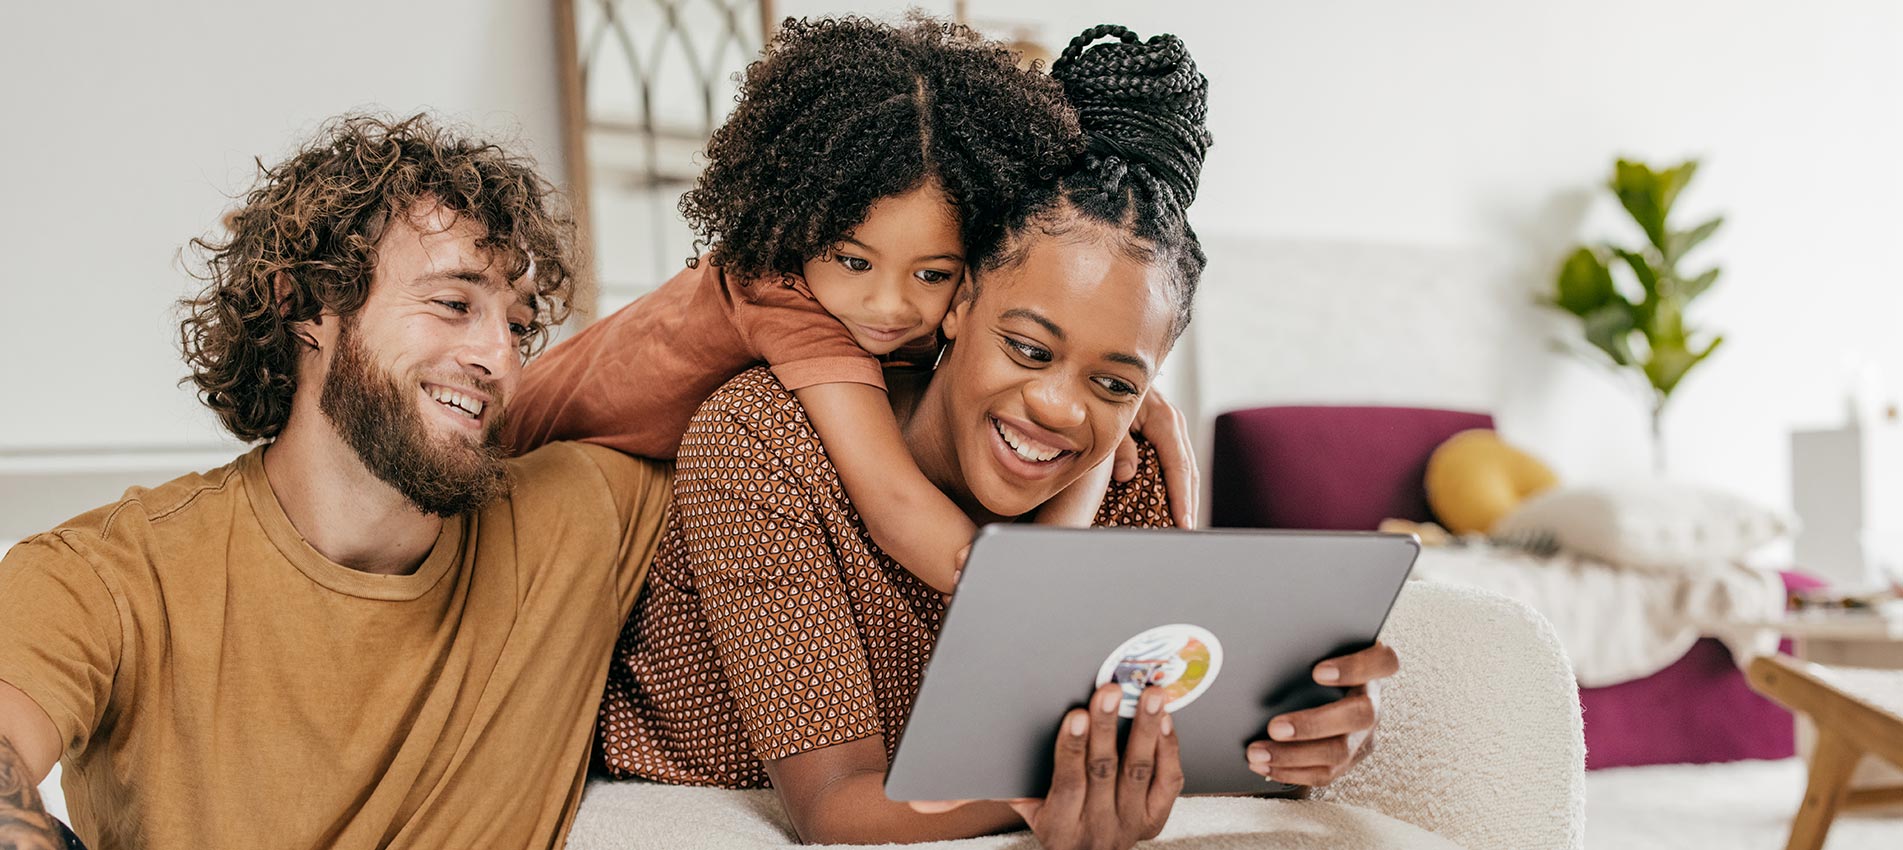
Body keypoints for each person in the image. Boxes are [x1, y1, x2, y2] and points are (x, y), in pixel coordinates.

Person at [516, 26, 1399, 849]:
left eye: (1114, 380)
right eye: (1027, 347)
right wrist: (1053, 789)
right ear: (964, 302)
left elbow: (1147, 711)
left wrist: (1278, 741)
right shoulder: (766, 434)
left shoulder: (1128, 467)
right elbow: (836, 804)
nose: (1058, 407)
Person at [0, 114, 674, 849]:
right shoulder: (109, 576)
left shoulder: (578, 516)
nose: (500, 359)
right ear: (303, 307)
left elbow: (745, 316)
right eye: (454, 304)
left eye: (517, 325)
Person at [503, 16, 1200, 597]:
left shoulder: (865, 309)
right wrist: (1057, 565)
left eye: (933, 273)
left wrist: (1120, 399)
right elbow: (898, 513)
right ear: (798, 224)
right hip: (507, 459)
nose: (890, 305)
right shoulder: (786, 300)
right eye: (852, 260)